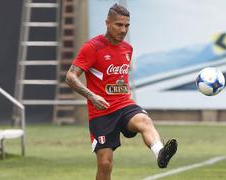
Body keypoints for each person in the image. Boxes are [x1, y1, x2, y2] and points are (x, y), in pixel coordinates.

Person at [66, 3, 177, 180]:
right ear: (107, 23)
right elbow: (71, 76)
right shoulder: (92, 47)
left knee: (144, 121)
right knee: (105, 164)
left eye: (127, 25)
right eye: (119, 24)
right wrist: (91, 96)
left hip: (124, 105)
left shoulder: (127, 49)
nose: (123, 29)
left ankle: (160, 153)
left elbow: (119, 77)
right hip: (101, 112)